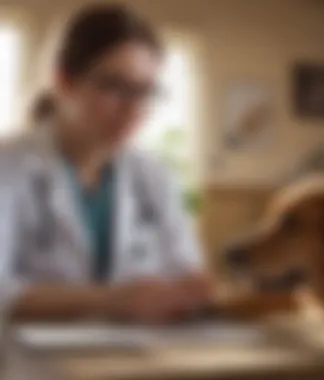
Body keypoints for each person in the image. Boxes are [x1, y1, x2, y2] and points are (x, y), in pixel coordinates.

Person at [0, 4, 210, 323]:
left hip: (136, 362)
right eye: (115, 87)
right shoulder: (10, 167)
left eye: (145, 91)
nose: (133, 109)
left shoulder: (155, 177)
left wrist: (188, 291)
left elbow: (185, 274)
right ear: (64, 82)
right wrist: (108, 301)